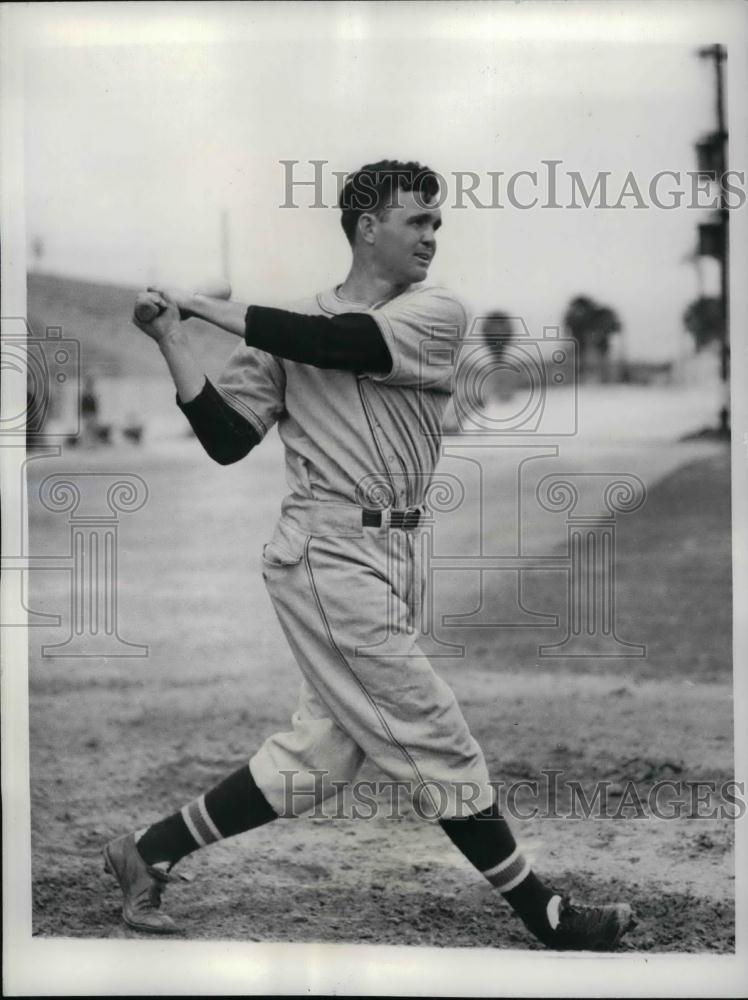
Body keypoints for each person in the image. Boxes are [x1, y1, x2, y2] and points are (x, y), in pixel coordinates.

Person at [104, 160, 635, 950]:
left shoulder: (434, 311)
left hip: (398, 552)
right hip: (326, 549)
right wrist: (174, 339)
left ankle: (148, 852)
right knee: (432, 729)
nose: (432, 235)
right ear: (366, 228)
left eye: (435, 223)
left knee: (318, 755)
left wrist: (208, 306)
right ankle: (546, 914)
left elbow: (340, 341)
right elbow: (225, 440)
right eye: (416, 221)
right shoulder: (282, 330)